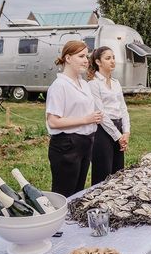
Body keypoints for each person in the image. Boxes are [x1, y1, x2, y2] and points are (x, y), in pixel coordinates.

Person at [46, 40, 102, 197]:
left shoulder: (84, 84)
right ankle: (58, 221)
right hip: (67, 146)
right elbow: (53, 121)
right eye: (81, 56)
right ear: (68, 58)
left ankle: (70, 222)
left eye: (87, 56)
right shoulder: (59, 86)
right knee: (64, 194)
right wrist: (86, 119)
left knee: (77, 193)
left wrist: (95, 117)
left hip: (85, 143)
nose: (86, 60)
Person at [88, 46, 131, 185]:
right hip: (102, 131)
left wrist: (126, 132)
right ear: (98, 62)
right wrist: (118, 136)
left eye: (113, 58)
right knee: (103, 174)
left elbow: (123, 108)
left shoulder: (116, 83)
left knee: (118, 173)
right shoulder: (93, 84)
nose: (113, 61)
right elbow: (101, 114)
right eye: (108, 58)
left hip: (119, 129)